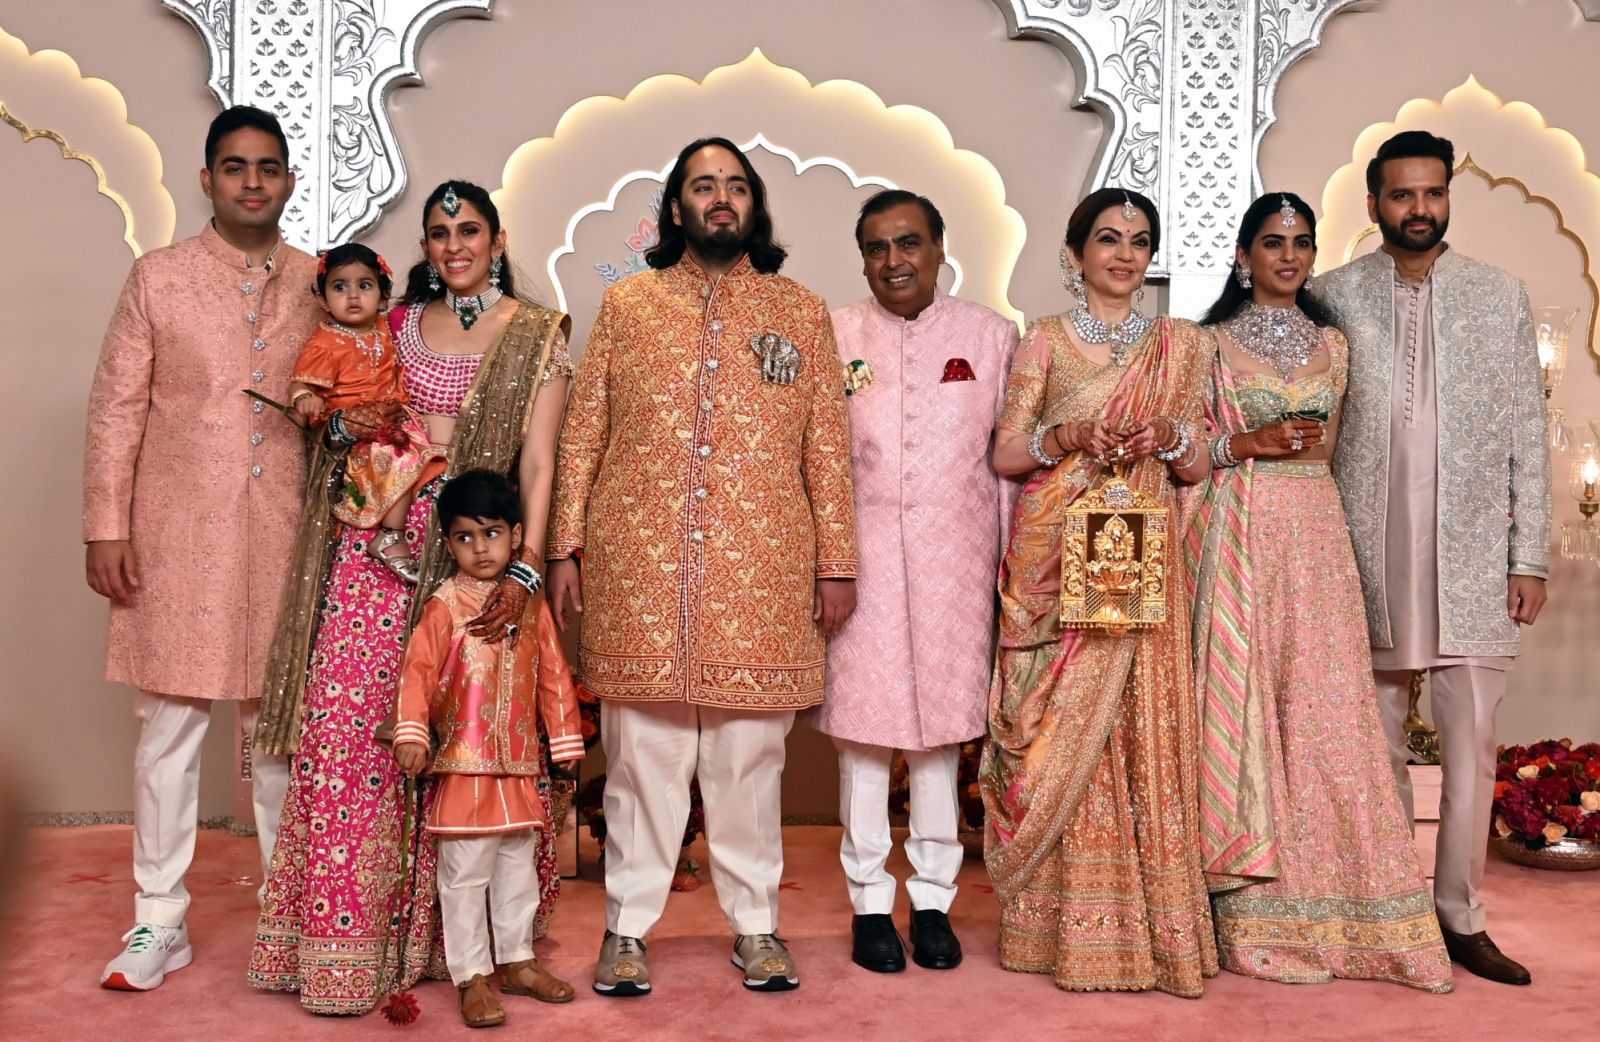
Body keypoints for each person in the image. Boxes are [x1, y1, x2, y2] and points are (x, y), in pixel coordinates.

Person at [249, 180, 573, 1013]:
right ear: (424, 247)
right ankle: (346, 941)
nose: (454, 244)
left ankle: (468, 951)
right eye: (438, 232)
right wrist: (340, 424)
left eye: (469, 230)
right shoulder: (388, 323)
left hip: (477, 554)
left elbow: (537, 465)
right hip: (376, 544)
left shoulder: (537, 334)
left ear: (497, 239)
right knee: (360, 732)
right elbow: (342, 409)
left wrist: (527, 568)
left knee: (466, 735)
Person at [548, 137, 857, 996]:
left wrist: (837, 562)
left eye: (734, 186)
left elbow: (826, 449)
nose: (719, 199)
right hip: (637, 568)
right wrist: (564, 544)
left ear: (754, 205)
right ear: (674, 205)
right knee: (641, 761)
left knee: (748, 765)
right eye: (701, 186)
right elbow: (584, 432)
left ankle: (756, 926)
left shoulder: (800, 311)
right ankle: (626, 930)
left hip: (761, 571)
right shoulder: (630, 305)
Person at [1187, 191, 1453, 991]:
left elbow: (1335, 451)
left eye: (1301, 242)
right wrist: (1245, 443)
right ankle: (1248, 901)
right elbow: (1187, 456)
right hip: (1237, 534)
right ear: (1245, 256)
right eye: (1273, 242)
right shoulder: (1206, 346)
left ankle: (1349, 901)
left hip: (1314, 534)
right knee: (1246, 707)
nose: (1290, 255)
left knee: (1323, 713)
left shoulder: (1334, 345)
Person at [85, 105, 318, 992]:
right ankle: (158, 921)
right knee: (169, 731)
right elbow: (116, 408)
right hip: (177, 536)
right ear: (207, 179)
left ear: (289, 180)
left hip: (292, 535)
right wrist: (106, 525)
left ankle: (289, 915)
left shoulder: (323, 281)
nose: (251, 181)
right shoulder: (160, 278)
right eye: (234, 167)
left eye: (267, 167)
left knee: (278, 735)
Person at [1316, 131, 1551, 986]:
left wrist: (1531, 558)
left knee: (1472, 745)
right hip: (1363, 555)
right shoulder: (1330, 296)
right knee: (1366, 742)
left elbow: (1528, 427)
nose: (1420, 209)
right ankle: (1387, 907)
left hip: (1473, 555)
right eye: (1403, 195)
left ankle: (1459, 916)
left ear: (1448, 196)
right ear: (1374, 202)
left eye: (1433, 193)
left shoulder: (1498, 296)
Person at [980, 187, 1218, 998]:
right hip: (1056, 552)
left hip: (1142, 548)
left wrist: (1171, 436)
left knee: (1139, 720)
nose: (1124, 255)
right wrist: (1068, 435)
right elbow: (1009, 454)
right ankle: (1055, 926)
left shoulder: (1182, 345)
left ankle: (1146, 929)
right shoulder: (1043, 340)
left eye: (1140, 241)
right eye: (1108, 239)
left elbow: (1197, 464)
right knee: (1050, 729)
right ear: (1076, 252)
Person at [812, 189, 1017, 974]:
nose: (894, 262)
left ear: (939, 247)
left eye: (909, 244)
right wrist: (823, 563)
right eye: (877, 248)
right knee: (862, 739)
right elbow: (812, 463)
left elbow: (1006, 466)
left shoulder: (992, 337)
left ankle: (933, 902)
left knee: (939, 743)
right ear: (862, 256)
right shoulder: (835, 335)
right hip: (856, 568)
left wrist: (1007, 572)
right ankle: (869, 904)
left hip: (957, 566)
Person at [393, 469, 585, 1028]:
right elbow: (417, 672)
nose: (481, 549)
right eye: (465, 537)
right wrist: (411, 733)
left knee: (516, 868)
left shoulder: (528, 605)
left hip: (518, 764)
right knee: (464, 874)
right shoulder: (445, 604)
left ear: (516, 533)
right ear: (446, 542)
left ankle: (518, 961)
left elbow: (553, 671)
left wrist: (564, 737)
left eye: (493, 533)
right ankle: (471, 975)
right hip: (463, 763)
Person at [289, 243, 445, 583]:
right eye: (340, 287)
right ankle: (390, 535)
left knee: (422, 453)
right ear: (321, 299)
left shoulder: (385, 328)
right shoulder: (326, 342)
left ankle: (396, 531)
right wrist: (306, 399)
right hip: (360, 432)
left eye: (365, 285)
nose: (353, 296)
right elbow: (301, 385)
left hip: (394, 418)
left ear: (384, 294)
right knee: (402, 454)